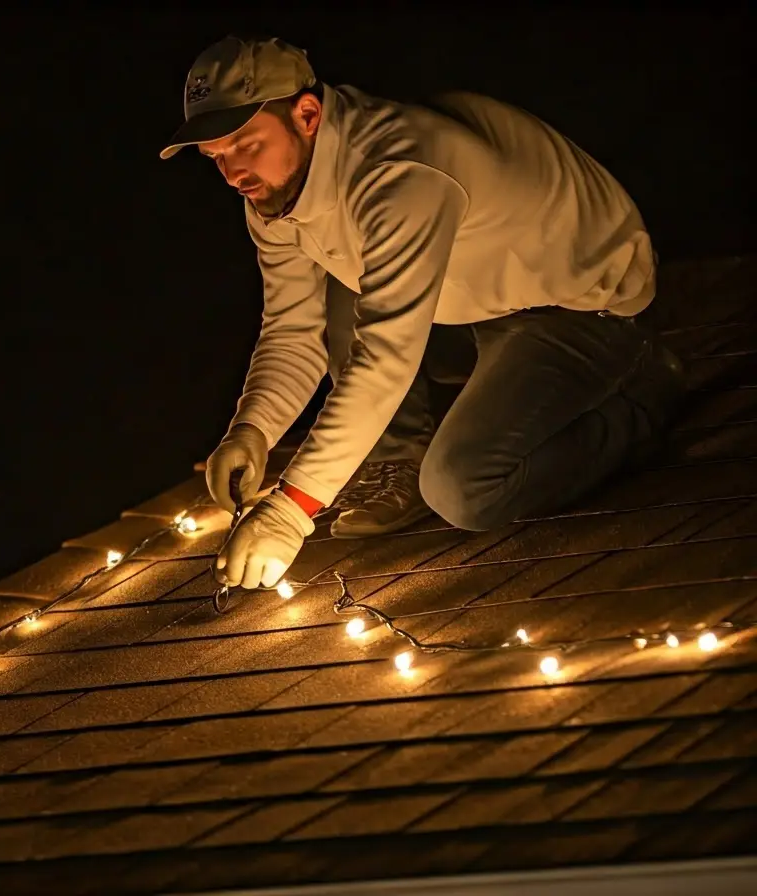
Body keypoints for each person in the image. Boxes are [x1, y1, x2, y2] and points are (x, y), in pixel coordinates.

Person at [160, 36, 685, 592]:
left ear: (307, 115)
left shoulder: (399, 174)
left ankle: (642, 395)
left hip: (575, 304)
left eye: (245, 143)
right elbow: (295, 328)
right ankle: (395, 465)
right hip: (473, 296)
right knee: (342, 296)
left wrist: (293, 508)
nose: (233, 172)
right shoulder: (274, 191)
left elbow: (386, 353)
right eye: (215, 155)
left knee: (463, 487)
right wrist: (253, 430)